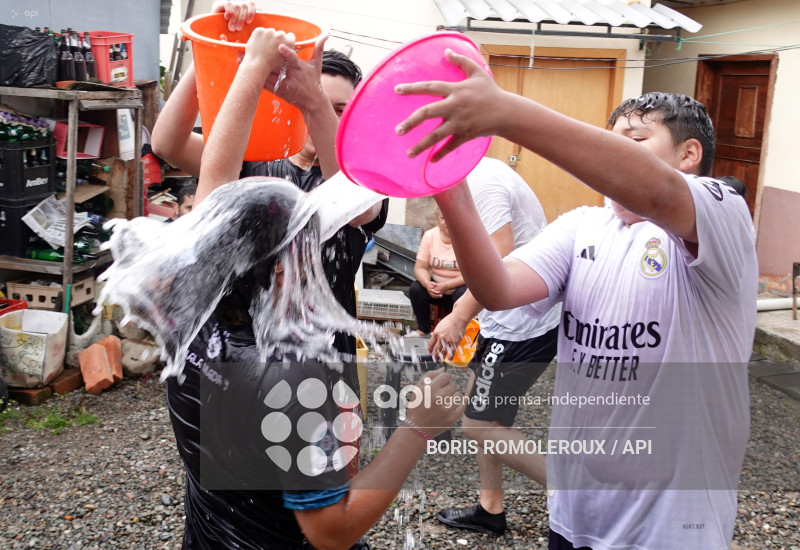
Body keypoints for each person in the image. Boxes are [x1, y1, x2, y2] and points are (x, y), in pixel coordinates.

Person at [395, 50, 756, 550]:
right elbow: (498, 290)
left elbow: (655, 191)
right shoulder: (582, 226)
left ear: (689, 155)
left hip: (673, 524)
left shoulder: (723, 212)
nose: (608, 158)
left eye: (631, 143)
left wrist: (504, 111)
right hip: (577, 514)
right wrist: (452, 196)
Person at [158, 25, 466, 550]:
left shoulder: (190, 304)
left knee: (267, 474)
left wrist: (250, 67)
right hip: (296, 380)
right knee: (315, 497)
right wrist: (417, 426)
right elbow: (330, 533)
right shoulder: (299, 375)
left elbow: (217, 184)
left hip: (218, 518)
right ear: (293, 263)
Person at [151, 1, 388, 395]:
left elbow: (361, 209)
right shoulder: (253, 163)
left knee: (331, 453)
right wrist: (218, 45)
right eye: (311, 100)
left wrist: (312, 99)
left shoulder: (363, 177)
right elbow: (166, 142)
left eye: (340, 109)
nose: (320, 115)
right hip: (242, 358)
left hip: (325, 359)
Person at [428, 157, 560, 536]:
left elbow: (500, 256)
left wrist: (459, 314)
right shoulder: (474, 174)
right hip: (506, 318)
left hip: (520, 324)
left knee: (478, 425)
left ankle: (579, 496)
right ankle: (490, 508)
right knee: (486, 415)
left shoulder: (481, 181)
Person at [408, 208, 467, 337]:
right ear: (437, 220)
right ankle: (423, 329)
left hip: (459, 290)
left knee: (464, 292)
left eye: (452, 218)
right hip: (437, 290)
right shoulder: (430, 236)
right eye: (443, 218)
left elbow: (471, 275)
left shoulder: (467, 237)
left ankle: (456, 332)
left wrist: (447, 285)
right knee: (416, 288)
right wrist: (427, 284)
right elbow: (420, 267)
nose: (447, 221)